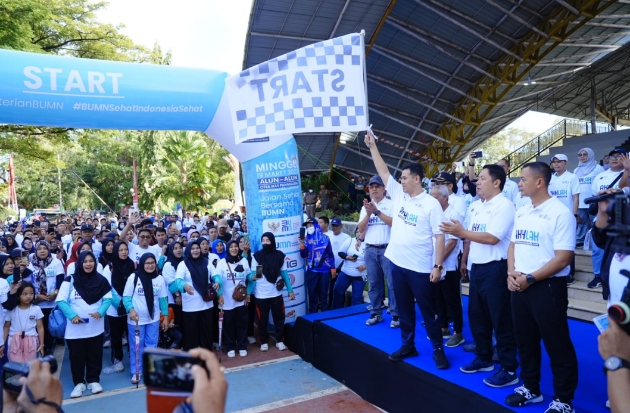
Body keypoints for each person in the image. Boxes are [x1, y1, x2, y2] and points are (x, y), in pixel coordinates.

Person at [365, 130, 448, 369]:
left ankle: (437, 349)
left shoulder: (431, 204)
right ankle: (407, 345)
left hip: (421, 268)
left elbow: (439, 236)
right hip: (396, 263)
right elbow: (383, 171)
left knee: (428, 311)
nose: (400, 181)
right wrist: (372, 146)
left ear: (417, 179)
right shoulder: (400, 196)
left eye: (404, 178)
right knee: (403, 308)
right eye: (400, 178)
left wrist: (438, 266)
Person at [505, 162, 578, 413]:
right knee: (524, 340)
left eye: (523, 179)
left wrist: (531, 279)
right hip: (519, 285)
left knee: (557, 344)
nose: (519, 184)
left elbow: (563, 258)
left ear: (540, 182)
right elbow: (513, 245)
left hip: (546, 287)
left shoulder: (561, 213)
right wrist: (511, 273)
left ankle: (563, 399)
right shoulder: (523, 211)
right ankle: (531, 387)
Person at [441, 164, 519, 385]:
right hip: (478, 267)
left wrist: (462, 232)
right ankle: (484, 358)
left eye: (482, 179)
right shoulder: (476, 206)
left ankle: (509, 369)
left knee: (500, 319)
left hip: (497, 268)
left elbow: (493, 237)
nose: (477, 182)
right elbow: (470, 237)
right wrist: (465, 259)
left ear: (497, 182)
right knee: (478, 316)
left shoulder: (504, 206)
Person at [56, 251, 113, 398]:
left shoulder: (101, 280)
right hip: (75, 330)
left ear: (95, 263)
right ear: (79, 263)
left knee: (95, 354)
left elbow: (107, 299)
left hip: (95, 327)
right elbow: (61, 300)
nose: (88, 264)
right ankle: (79, 383)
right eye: (85, 261)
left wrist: (100, 312)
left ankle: (94, 380)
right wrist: (73, 315)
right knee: (76, 357)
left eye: (91, 261)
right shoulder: (70, 280)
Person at [358, 175, 397, 327]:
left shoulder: (391, 204)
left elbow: (395, 223)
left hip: (388, 248)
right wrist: (369, 213)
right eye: (371, 186)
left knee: (392, 283)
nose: (374, 189)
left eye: (377, 186)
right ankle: (376, 313)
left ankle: (396, 315)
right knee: (373, 283)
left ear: (383, 189)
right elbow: (361, 229)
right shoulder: (365, 207)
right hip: (370, 249)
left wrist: (377, 212)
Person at [123, 253, 169, 384]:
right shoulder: (134, 277)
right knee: (137, 346)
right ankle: (137, 371)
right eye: (147, 263)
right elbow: (126, 297)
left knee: (152, 345)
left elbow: (163, 299)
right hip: (136, 320)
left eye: (152, 263)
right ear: (142, 264)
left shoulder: (159, 279)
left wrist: (165, 317)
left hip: (153, 319)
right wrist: (131, 310)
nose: (150, 265)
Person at [430, 185, 465, 348]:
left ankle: (458, 332)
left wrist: (439, 261)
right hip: (434, 264)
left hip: (448, 266)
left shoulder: (453, 215)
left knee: (452, 300)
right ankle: (443, 328)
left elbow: (452, 242)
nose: (432, 200)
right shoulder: (433, 212)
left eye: (435, 197)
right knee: (438, 298)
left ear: (445, 198)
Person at [250, 232, 295, 351]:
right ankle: (263, 341)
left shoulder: (280, 256)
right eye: (263, 240)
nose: (265, 243)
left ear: (272, 241)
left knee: (279, 318)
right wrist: (250, 285)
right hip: (261, 294)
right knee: (262, 319)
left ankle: (279, 340)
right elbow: (256, 275)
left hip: (276, 293)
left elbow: (284, 274)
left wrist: (290, 290)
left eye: (267, 240)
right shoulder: (257, 256)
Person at [173, 240, 220, 350]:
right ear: (189, 250)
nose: (195, 250)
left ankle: (206, 354)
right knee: (191, 332)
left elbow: (215, 274)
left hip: (207, 304)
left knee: (206, 330)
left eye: (197, 248)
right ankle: (192, 355)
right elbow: (178, 280)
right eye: (193, 248)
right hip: (190, 306)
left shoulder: (207, 262)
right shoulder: (183, 264)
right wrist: (184, 286)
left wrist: (217, 280)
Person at [102, 241, 135, 374]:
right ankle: (117, 359)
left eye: (125, 249)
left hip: (130, 305)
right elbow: (107, 286)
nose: (123, 252)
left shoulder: (132, 264)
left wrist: (127, 303)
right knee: (116, 334)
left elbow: (135, 283)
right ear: (116, 251)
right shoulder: (109, 266)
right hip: (114, 307)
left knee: (131, 333)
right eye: (120, 250)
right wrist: (118, 303)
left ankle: (133, 357)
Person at [28, 241, 65, 355]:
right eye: (39, 249)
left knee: (49, 326)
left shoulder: (55, 262)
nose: (42, 251)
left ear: (49, 250)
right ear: (36, 250)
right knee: (38, 326)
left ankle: (48, 348)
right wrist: (36, 297)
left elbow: (60, 279)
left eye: (45, 248)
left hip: (51, 301)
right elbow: (27, 283)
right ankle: (39, 347)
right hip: (37, 302)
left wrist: (55, 292)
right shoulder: (30, 264)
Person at [214, 240, 250, 357]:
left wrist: (254, 276)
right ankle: (230, 346)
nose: (234, 249)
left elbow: (248, 276)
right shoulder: (222, 263)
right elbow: (218, 279)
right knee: (228, 324)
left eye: (235, 246)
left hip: (241, 299)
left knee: (242, 323)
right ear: (228, 249)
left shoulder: (243, 261)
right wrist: (219, 295)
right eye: (231, 247)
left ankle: (242, 345)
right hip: (227, 300)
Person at [548, 154, 580, 284]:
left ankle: (569, 273)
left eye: (559, 162)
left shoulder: (572, 177)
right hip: (552, 216)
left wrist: (574, 215)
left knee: (567, 245)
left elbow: (575, 198)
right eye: (554, 162)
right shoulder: (549, 178)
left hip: (567, 217)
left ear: (566, 163)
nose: (556, 164)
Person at [299, 218, 335, 313]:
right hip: (311, 271)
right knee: (312, 294)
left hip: (324, 271)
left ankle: (325, 316)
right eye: (307, 226)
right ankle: (313, 317)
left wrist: (333, 269)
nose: (308, 227)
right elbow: (303, 255)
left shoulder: (325, 238)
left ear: (316, 225)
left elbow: (330, 254)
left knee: (324, 295)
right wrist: (302, 243)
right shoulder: (306, 239)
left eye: (310, 225)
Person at [3, 282, 44, 363]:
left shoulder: (36, 309)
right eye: (24, 294)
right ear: (18, 296)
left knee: (31, 366)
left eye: (31, 293)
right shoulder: (11, 309)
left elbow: (40, 327)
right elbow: (6, 327)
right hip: (14, 340)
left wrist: (41, 344)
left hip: (31, 340)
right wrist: (3, 344)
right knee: (15, 366)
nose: (29, 296)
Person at [574, 148, 605, 246]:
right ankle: (580, 241)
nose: (582, 157)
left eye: (585, 154)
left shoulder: (598, 168)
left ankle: (596, 241)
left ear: (590, 155)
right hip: (580, 202)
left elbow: (601, 183)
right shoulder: (576, 170)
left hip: (593, 201)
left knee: (594, 222)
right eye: (580, 155)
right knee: (582, 223)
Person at [332, 229, 366, 309]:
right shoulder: (350, 240)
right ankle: (336, 312)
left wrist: (365, 266)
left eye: (361, 232)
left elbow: (374, 259)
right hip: (345, 272)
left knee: (357, 297)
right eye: (357, 232)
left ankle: (355, 316)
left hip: (361, 274)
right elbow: (340, 252)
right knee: (337, 290)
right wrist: (347, 257)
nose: (358, 234)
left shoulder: (370, 243)